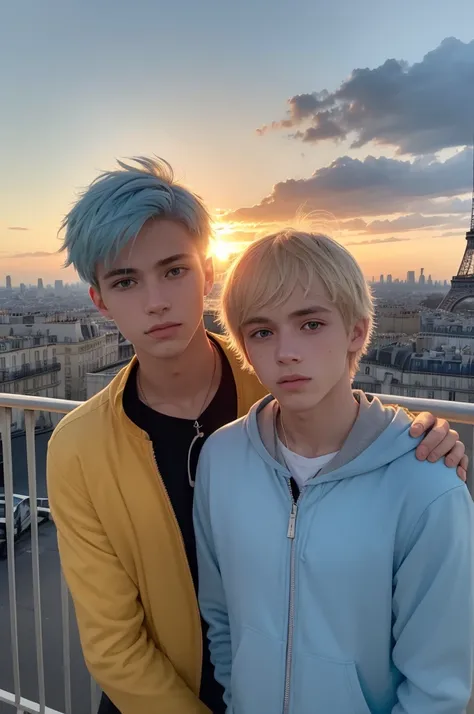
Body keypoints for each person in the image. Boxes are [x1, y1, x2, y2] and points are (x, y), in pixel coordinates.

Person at [47, 157, 468, 714]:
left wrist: (417, 439)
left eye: (174, 270)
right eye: (126, 281)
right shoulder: (79, 448)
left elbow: (346, 417)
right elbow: (112, 643)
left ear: (208, 272)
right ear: (99, 300)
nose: (156, 301)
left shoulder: (278, 377)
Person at [194, 229, 474, 714]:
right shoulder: (219, 458)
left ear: (357, 332)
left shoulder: (428, 485)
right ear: (244, 347)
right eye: (262, 331)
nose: (286, 352)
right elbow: (221, 621)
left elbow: (436, 686)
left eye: (310, 324)